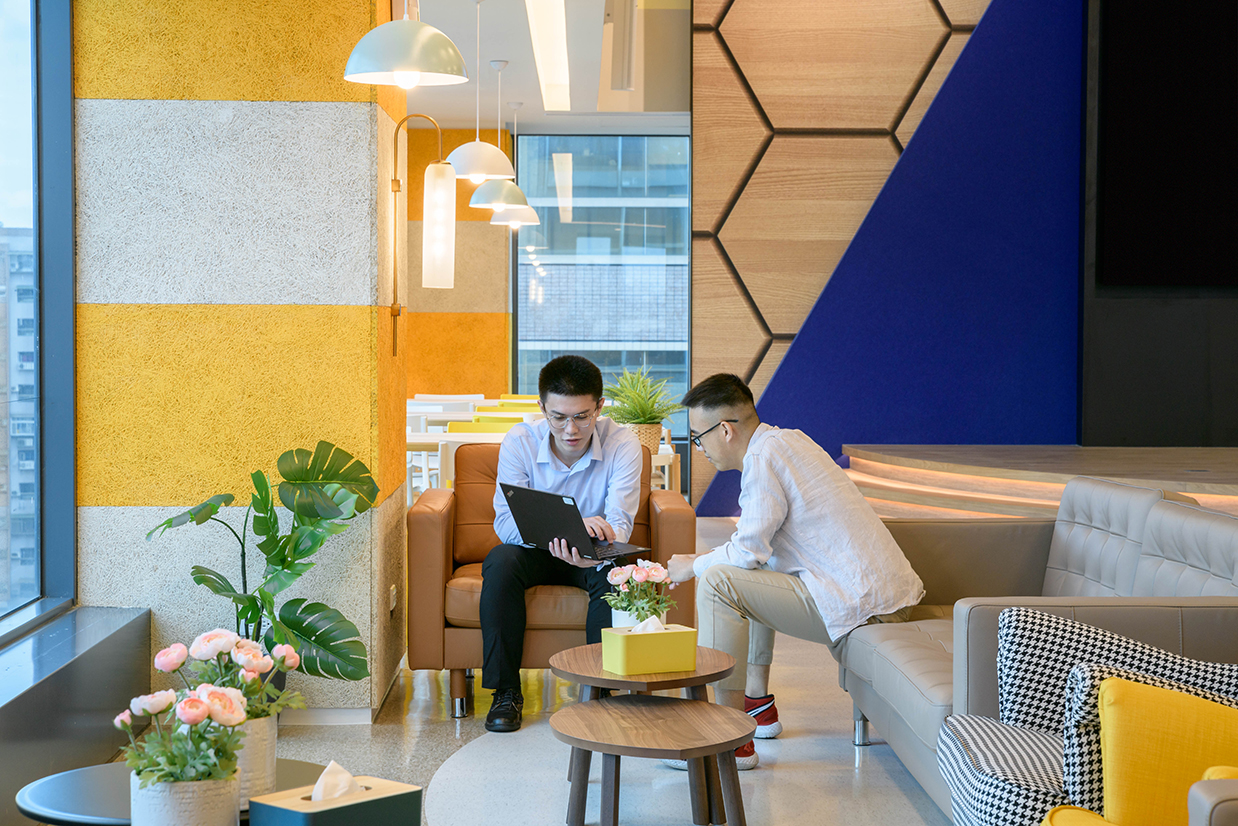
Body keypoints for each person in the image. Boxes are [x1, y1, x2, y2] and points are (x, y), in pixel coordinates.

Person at [665, 373, 924, 769]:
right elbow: (754, 550)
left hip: (860, 605)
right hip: (882, 595)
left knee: (718, 582)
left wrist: (693, 565)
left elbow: (746, 551)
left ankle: (725, 740)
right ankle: (757, 707)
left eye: (698, 438)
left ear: (726, 431)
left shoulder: (761, 460)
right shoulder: (788, 440)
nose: (699, 449)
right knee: (750, 571)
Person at [480, 355, 644, 732]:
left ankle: (600, 691)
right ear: (542, 408)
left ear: (599, 407)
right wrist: (565, 530)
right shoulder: (520, 441)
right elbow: (505, 523)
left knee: (617, 572)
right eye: (558, 417)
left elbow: (620, 522)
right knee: (500, 561)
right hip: (534, 553)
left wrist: (593, 542)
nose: (570, 429)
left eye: (582, 417)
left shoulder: (622, 443)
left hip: (593, 554)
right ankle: (506, 692)